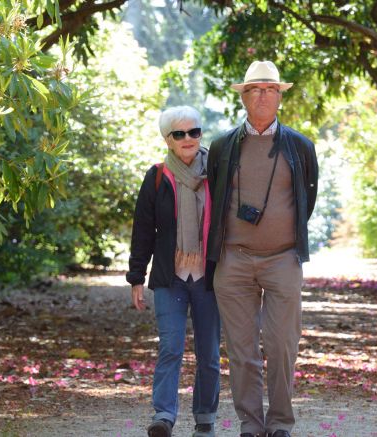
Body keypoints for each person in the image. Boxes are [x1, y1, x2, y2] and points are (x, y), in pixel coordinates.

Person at [205, 60, 318, 437]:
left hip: (283, 258)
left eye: (270, 88)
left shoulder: (300, 146)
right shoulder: (222, 146)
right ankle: (250, 425)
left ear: (280, 96)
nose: (263, 95)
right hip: (234, 260)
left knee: (282, 345)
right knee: (241, 350)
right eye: (255, 89)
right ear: (243, 96)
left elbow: (308, 197)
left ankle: (281, 423)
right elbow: (215, 195)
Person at [126, 106, 221, 437]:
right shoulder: (156, 176)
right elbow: (143, 230)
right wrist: (136, 277)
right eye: (179, 134)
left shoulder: (218, 173)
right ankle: (163, 415)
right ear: (167, 139)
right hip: (171, 278)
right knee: (171, 347)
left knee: (209, 353)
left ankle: (205, 418)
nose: (187, 139)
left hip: (209, 279)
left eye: (193, 132)